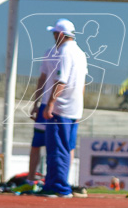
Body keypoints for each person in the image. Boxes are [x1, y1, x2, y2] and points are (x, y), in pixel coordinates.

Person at [40, 18, 88, 198]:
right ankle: (53, 184)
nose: (53, 37)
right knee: (64, 148)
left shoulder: (65, 52)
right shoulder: (80, 52)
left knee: (56, 148)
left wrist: (50, 103)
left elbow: (61, 80)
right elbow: (82, 83)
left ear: (60, 34)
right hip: (73, 107)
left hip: (62, 108)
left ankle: (59, 186)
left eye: (54, 33)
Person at [28, 41, 63, 184]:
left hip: (60, 107)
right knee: (36, 143)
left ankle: (51, 180)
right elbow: (42, 78)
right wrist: (36, 103)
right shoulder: (49, 52)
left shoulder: (72, 54)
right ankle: (30, 180)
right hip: (45, 104)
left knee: (54, 145)